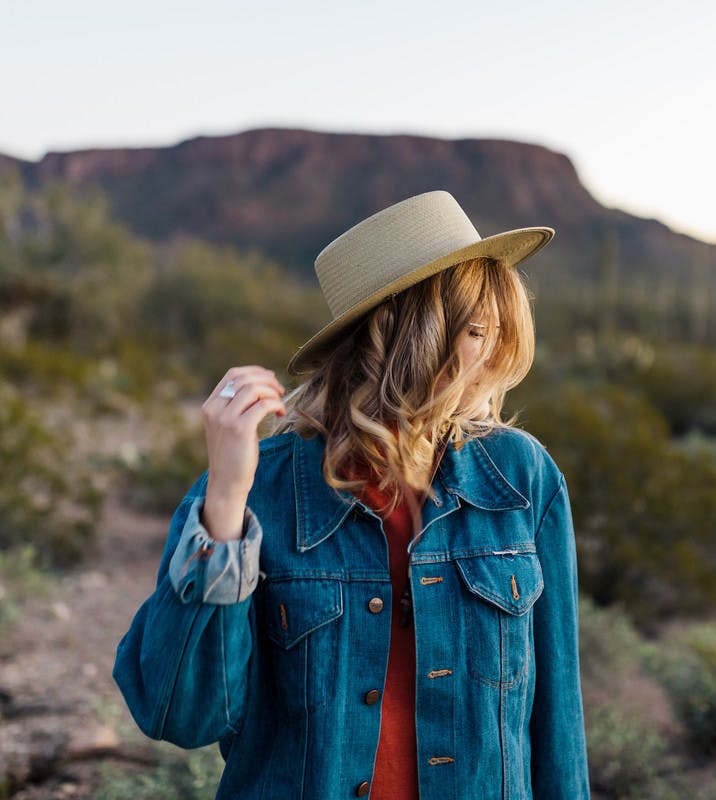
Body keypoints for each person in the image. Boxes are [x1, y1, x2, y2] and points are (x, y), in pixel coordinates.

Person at [113, 190, 590, 799]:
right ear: (397, 331)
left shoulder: (522, 478)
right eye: (475, 331)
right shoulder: (260, 489)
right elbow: (177, 714)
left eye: (498, 332)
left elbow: (557, 727)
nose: (494, 354)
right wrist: (228, 502)